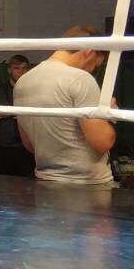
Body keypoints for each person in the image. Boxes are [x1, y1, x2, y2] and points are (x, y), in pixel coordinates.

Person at [13, 28, 116, 186]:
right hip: (88, 185)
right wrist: (107, 115)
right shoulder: (80, 79)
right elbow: (102, 142)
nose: (92, 70)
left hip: (45, 180)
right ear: (89, 52)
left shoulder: (22, 82)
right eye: (95, 65)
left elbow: (29, 145)